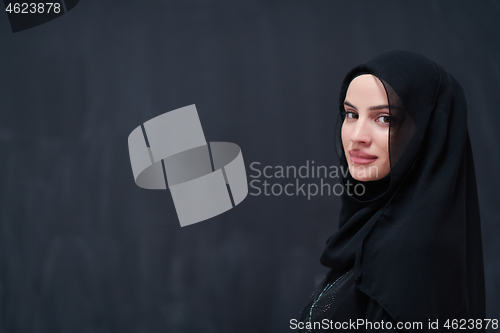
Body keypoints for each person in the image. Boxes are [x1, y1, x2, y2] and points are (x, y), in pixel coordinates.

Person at [298, 50, 486, 332]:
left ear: (426, 132)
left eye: (384, 118)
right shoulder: (369, 231)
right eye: (351, 114)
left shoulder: (409, 255)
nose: (358, 135)